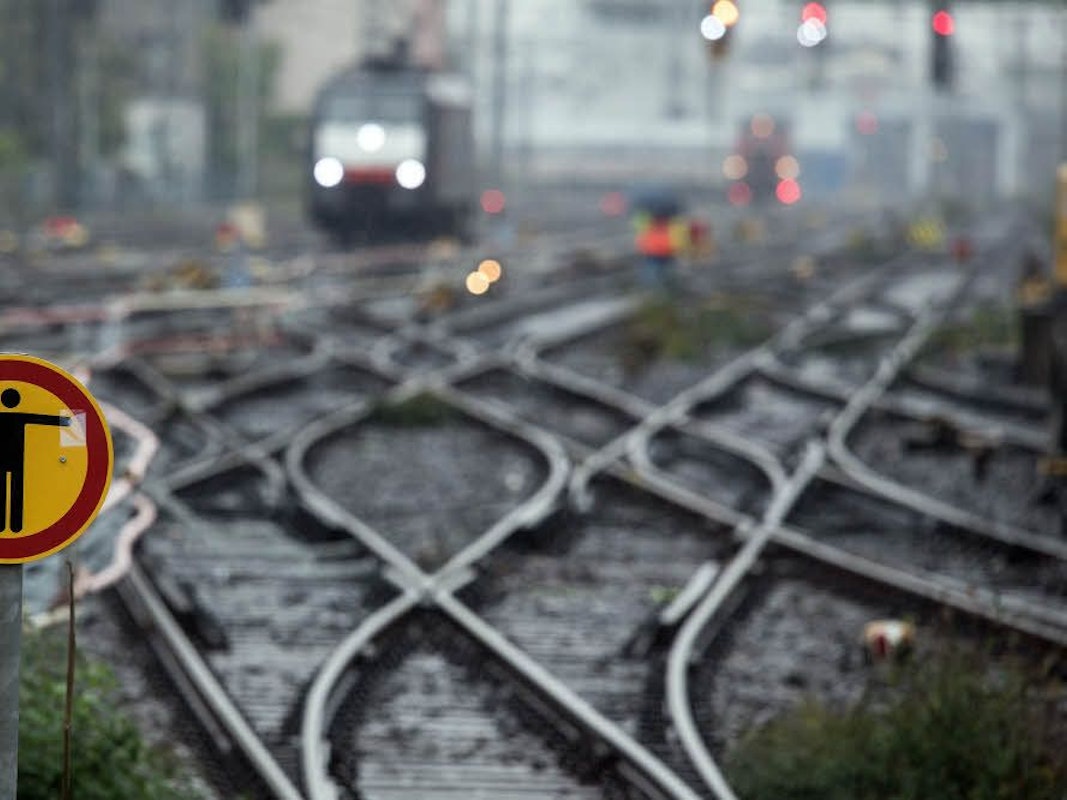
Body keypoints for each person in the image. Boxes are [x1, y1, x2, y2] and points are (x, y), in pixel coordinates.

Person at [634, 212, 678, 289]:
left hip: (662, 253)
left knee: (662, 271)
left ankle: (662, 286)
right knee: (657, 271)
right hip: (656, 254)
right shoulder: (653, 228)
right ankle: (657, 286)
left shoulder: (661, 227)